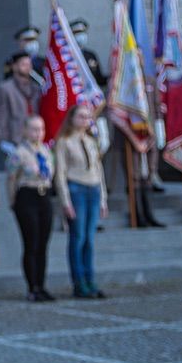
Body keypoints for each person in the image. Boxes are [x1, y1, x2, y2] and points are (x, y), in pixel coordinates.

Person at [55, 102, 109, 298]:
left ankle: (90, 279)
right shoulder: (64, 141)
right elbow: (60, 173)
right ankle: (78, 282)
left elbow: (99, 171)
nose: (85, 120)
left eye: (88, 117)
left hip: (93, 189)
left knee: (90, 239)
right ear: (72, 118)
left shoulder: (90, 141)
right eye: (81, 116)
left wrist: (103, 199)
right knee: (77, 238)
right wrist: (65, 201)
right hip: (76, 188)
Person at [7, 115, 56, 302]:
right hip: (27, 196)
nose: (38, 133)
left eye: (41, 129)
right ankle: (32, 287)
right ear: (26, 131)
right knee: (31, 243)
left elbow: (51, 173)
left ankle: (42, 285)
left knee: (43, 244)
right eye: (34, 129)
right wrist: (13, 201)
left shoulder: (46, 151)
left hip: (44, 195)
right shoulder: (19, 153)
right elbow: (12, 179)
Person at [0, 51, 40, 161]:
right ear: (14, 66)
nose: (27, 68)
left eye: (29, 64)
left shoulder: (36, 88)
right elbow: (0, 118)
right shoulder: (5, 88)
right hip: (16, 141)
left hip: (35, 141)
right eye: (23, 64)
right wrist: (4, 140)